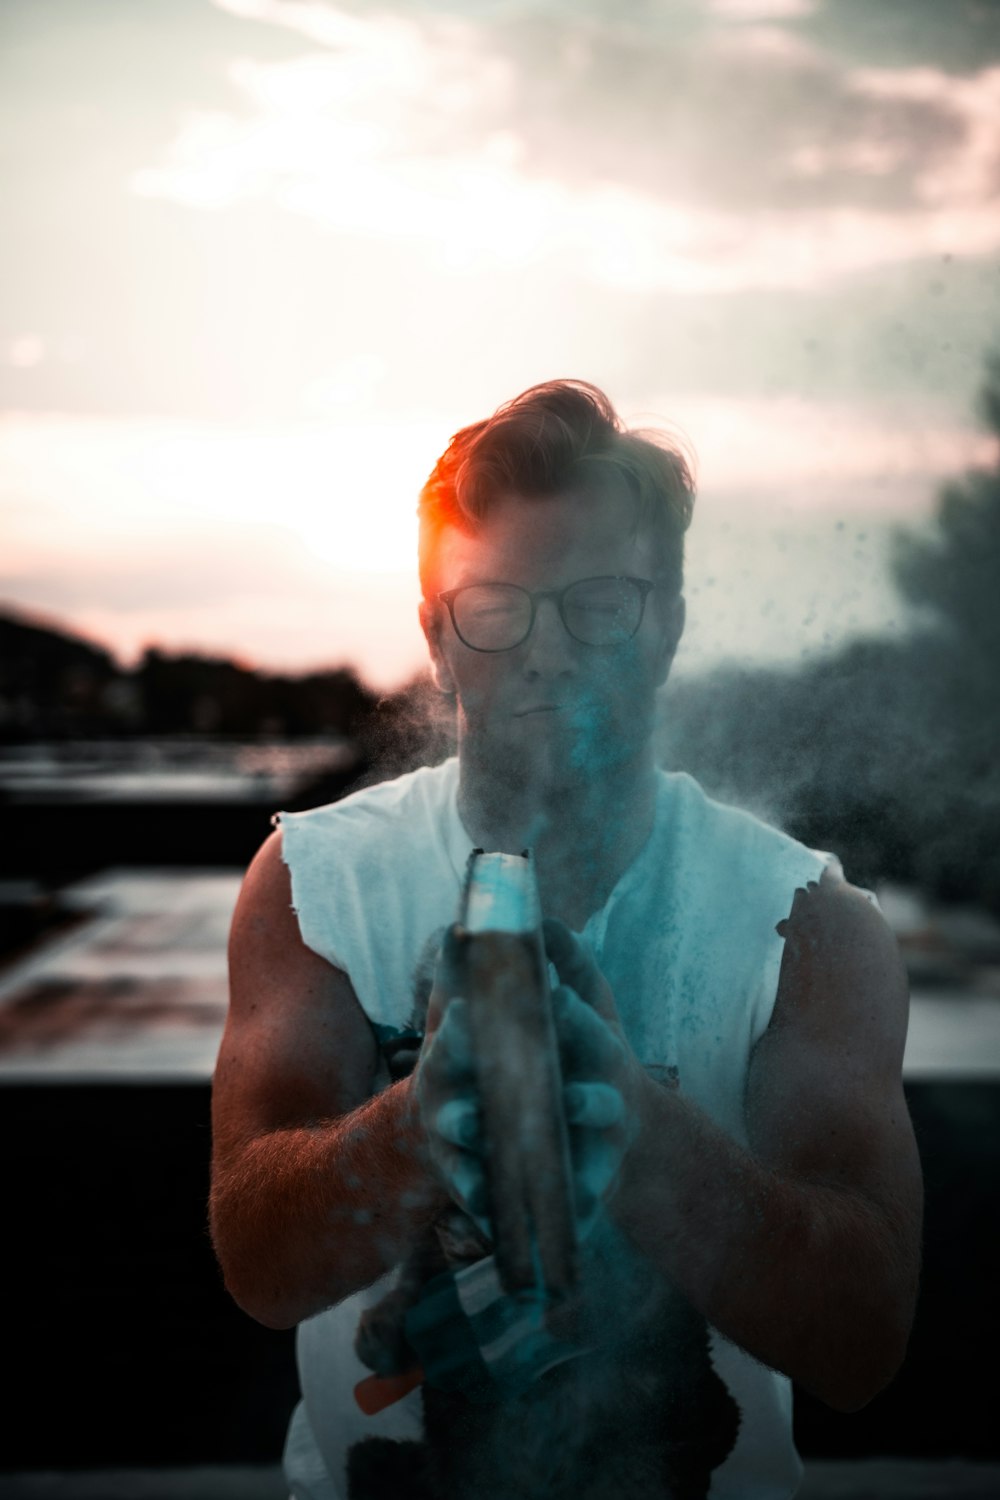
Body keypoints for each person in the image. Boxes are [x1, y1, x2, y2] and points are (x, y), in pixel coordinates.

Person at [210, 380, 923, 1499]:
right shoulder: (314, 881)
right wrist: (420, 1124)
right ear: (437, 642)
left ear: (668, 623)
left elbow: (864, 1339)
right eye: (494, 604)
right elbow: (256, 1263)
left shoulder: (809, 925)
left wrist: (624, 1123)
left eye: (597, 602)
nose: (543, 652)